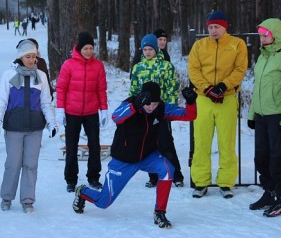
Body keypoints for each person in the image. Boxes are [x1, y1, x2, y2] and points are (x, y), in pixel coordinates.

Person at [72, 82, 197, 228]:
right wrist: (135, 106)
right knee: (103, 202)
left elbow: (189, 115)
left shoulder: (161, 108)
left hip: (147, 157)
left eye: (155, 104)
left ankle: (159, 212)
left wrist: (190, 102)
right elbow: (116, 117)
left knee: (168, 169)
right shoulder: (130, 104)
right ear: (141, 99)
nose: (151, 107)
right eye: (148, 104)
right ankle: (82, 192)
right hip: (123, 160)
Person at [0, 40, 57, 213]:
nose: (31, 60)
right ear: (20, 56)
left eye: (34, 56)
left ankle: (27, 200)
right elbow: (1, 101)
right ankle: (6, 196)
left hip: (35, 127)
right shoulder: (9, 75)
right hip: (14, 127)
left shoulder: (40, 76)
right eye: (28, 56)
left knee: (31, 164)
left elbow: (46, 102)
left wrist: (51, 122)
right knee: (13, 163)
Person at [188, 10, 248, 198]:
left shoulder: (237, 44)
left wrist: (223, 86)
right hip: (204, 99)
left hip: (227, 99)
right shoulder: (199, 45)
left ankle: (225, 182)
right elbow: (193, 69)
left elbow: (240, 69)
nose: (214, 31)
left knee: (227, 142)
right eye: (211, 27)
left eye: (217, 27)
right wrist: (206, 88)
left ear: (225, 27)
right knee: (201, 142)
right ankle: (201, 182)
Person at [247, 18, 281, 217]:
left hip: (278, 117)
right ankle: (269, 192)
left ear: (275, 35)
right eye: (260, 35)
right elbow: (257, 89)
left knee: (278, 159)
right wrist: (252, 115)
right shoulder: (262, 57)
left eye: (264, 35)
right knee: (261, 157)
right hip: (261, 116)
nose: (261, 39)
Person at [56, 31, 108, 192]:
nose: (88, 51)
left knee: (94, 145)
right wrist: (60, 109)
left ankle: (93, 177)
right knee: (71, 146)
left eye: (91, 48)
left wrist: (104, 110)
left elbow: (101, 89)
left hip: (91, 112)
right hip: (72, 112)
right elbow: (61, 88)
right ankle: (71, 179)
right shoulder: (68, 65)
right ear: (79, 48)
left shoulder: (98, 65)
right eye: (85, 48)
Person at [130, 30, 184, 188]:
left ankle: (176, 175)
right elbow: (134, 91)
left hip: (161, 111)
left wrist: (168, 108)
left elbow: (172, 88)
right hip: (144, 113)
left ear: (156, 49)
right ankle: (153, 176)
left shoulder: (166, 66)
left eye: (150, 49)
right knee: (147, 144)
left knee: (166, 144)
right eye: (145, 49)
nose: (147, 52)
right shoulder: (138, 68)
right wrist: (134, 107)